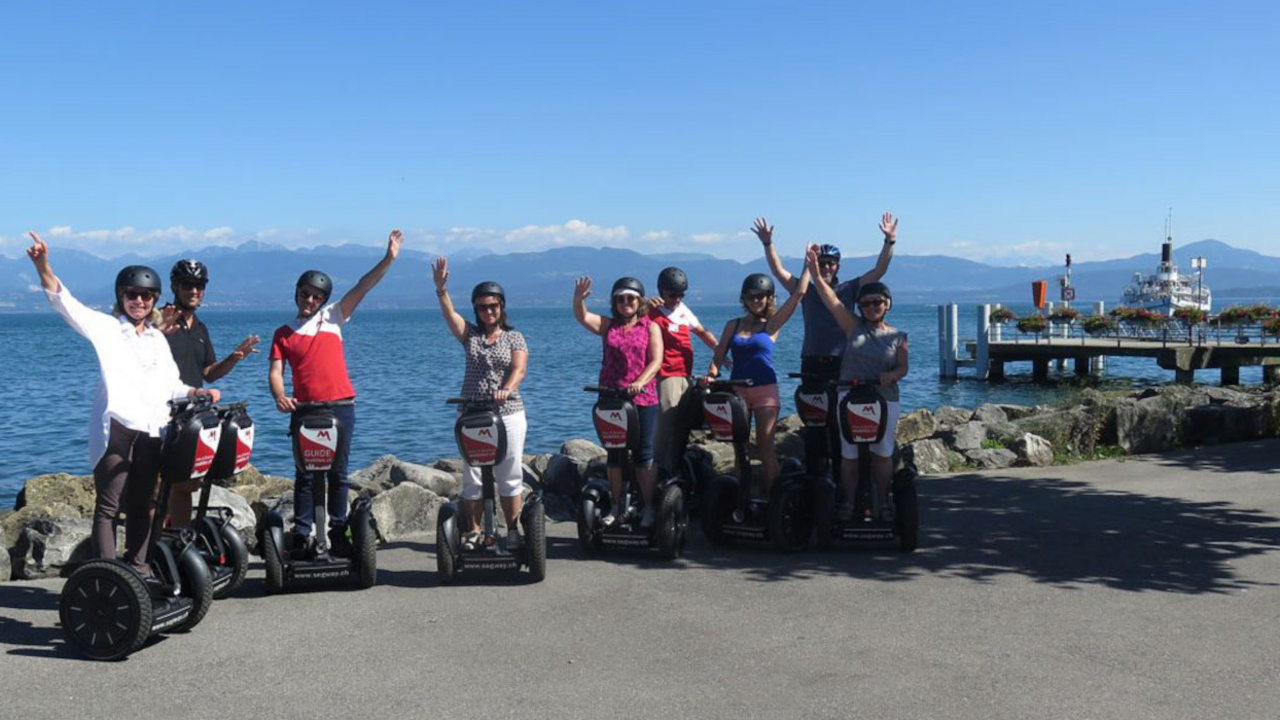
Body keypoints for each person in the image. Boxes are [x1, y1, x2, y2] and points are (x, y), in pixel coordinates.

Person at [24, 231, 219, 578]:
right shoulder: (107, 328)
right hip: (116, 429)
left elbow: (171, 384)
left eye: (146, 296)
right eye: (132, 294)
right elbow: (66, 303)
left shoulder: (157, 339)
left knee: (143, 505)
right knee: (109, 506)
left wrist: (195, 393)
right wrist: (43, 265)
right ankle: (108, 575)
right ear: (121, 296)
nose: (139, 301)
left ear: (154, 300)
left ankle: (138, 570)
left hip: (152, 431)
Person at [269, 229, 403, 558]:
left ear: (323, 300)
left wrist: (388, 259)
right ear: (297, 293)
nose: (310, 300)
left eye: (317, 297)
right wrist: (279, 396)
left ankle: (338, 531)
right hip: (304, 410)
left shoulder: (333, 317)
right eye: (306, 294)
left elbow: (363, 285)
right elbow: (275, 371)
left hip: (341, 407)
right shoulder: (283, 333)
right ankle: (302, 534)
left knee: (338, 475)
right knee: (305, 476)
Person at [753, 213, 899, 470]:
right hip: (811, 365)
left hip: (844, 365)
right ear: (815, 264)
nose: (827, 267)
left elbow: (879, 270)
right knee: (814, 426)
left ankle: (844, 478)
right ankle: (815, 477)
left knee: (841, 423)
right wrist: (768, 243)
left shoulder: (849, 289)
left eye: (832, 263)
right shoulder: (806, 290)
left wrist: (889, 241)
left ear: (838, 267)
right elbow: (778, 271)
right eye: (823, 263)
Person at [431, 257, 529, 551]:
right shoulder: (470, 336)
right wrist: (441, 289)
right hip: (472, 413)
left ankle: (512, 531)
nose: (488, 311)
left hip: (507, 412)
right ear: (476, 309)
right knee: (472, 475)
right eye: (483, 307)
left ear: (501, 306)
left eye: (493, 306)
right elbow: (450, 315)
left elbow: (519, 368)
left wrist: (506, 389)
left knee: (509, 474)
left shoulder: (514, 337)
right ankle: (474, 532)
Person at [805, 246, 908, 522]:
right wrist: (815, 273)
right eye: (866, 304)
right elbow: (830, 299)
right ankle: (848, 504)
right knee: (849, 454)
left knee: (882, 454)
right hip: (850, 397)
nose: (872, 308)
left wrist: (892, 376)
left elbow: (903, 367)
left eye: (877, 303)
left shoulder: (898, 336)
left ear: (887, 304)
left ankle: (883, 503)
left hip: (885, 398)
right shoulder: (852, 326)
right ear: (859, 307)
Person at [160, 258, 261, 528]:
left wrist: (234, 358)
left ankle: (179, 539)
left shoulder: (200, 328)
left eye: (200, 285)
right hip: (159, 413)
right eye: (187, 285)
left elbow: (209, 373)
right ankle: (148, 545)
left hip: (190, 418)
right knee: (156, 488)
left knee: (185, 485)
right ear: (174, 286)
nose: (194, 291)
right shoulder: (160, 321)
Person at [705, 269, 810, 516]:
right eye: (751, 296)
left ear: (769, 298)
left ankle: (775, 502)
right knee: (739, 448)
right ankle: (742, 498)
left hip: (765, 391)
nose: (756, 300)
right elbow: (718, 356)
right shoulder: (733, 325)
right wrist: (711, 374)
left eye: (761, 296)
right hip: (737, 392)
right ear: (744, 298)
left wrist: (809, 266)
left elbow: (798, 294)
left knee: (765, 447)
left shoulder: (771, 324)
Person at [573, 276, 663, 528]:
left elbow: (656, 361)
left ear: (639, 300)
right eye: (620, 299)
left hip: (643, 398)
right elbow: (583, 317)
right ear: (614, 302)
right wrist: (578, 299)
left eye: (631, 298)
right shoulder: (608, 326)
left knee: (644, 454)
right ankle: (615, 505)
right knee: (615, 454)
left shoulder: (650, 327)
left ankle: (648, 508)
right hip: (611, 399)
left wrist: (640, 382)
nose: (626, 303)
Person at [646, 267, 718, 478]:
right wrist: (644, 306)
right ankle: (655, 470)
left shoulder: (683, 310)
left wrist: (720, 351)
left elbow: (702, 332)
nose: (676, 299)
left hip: (685, 375)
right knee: (665, 425)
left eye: (681, 295)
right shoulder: (652, 312)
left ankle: (674, 468)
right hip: (665, 375)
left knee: (681, 425)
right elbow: (632, 323)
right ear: (661, 291)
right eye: (672, 295)